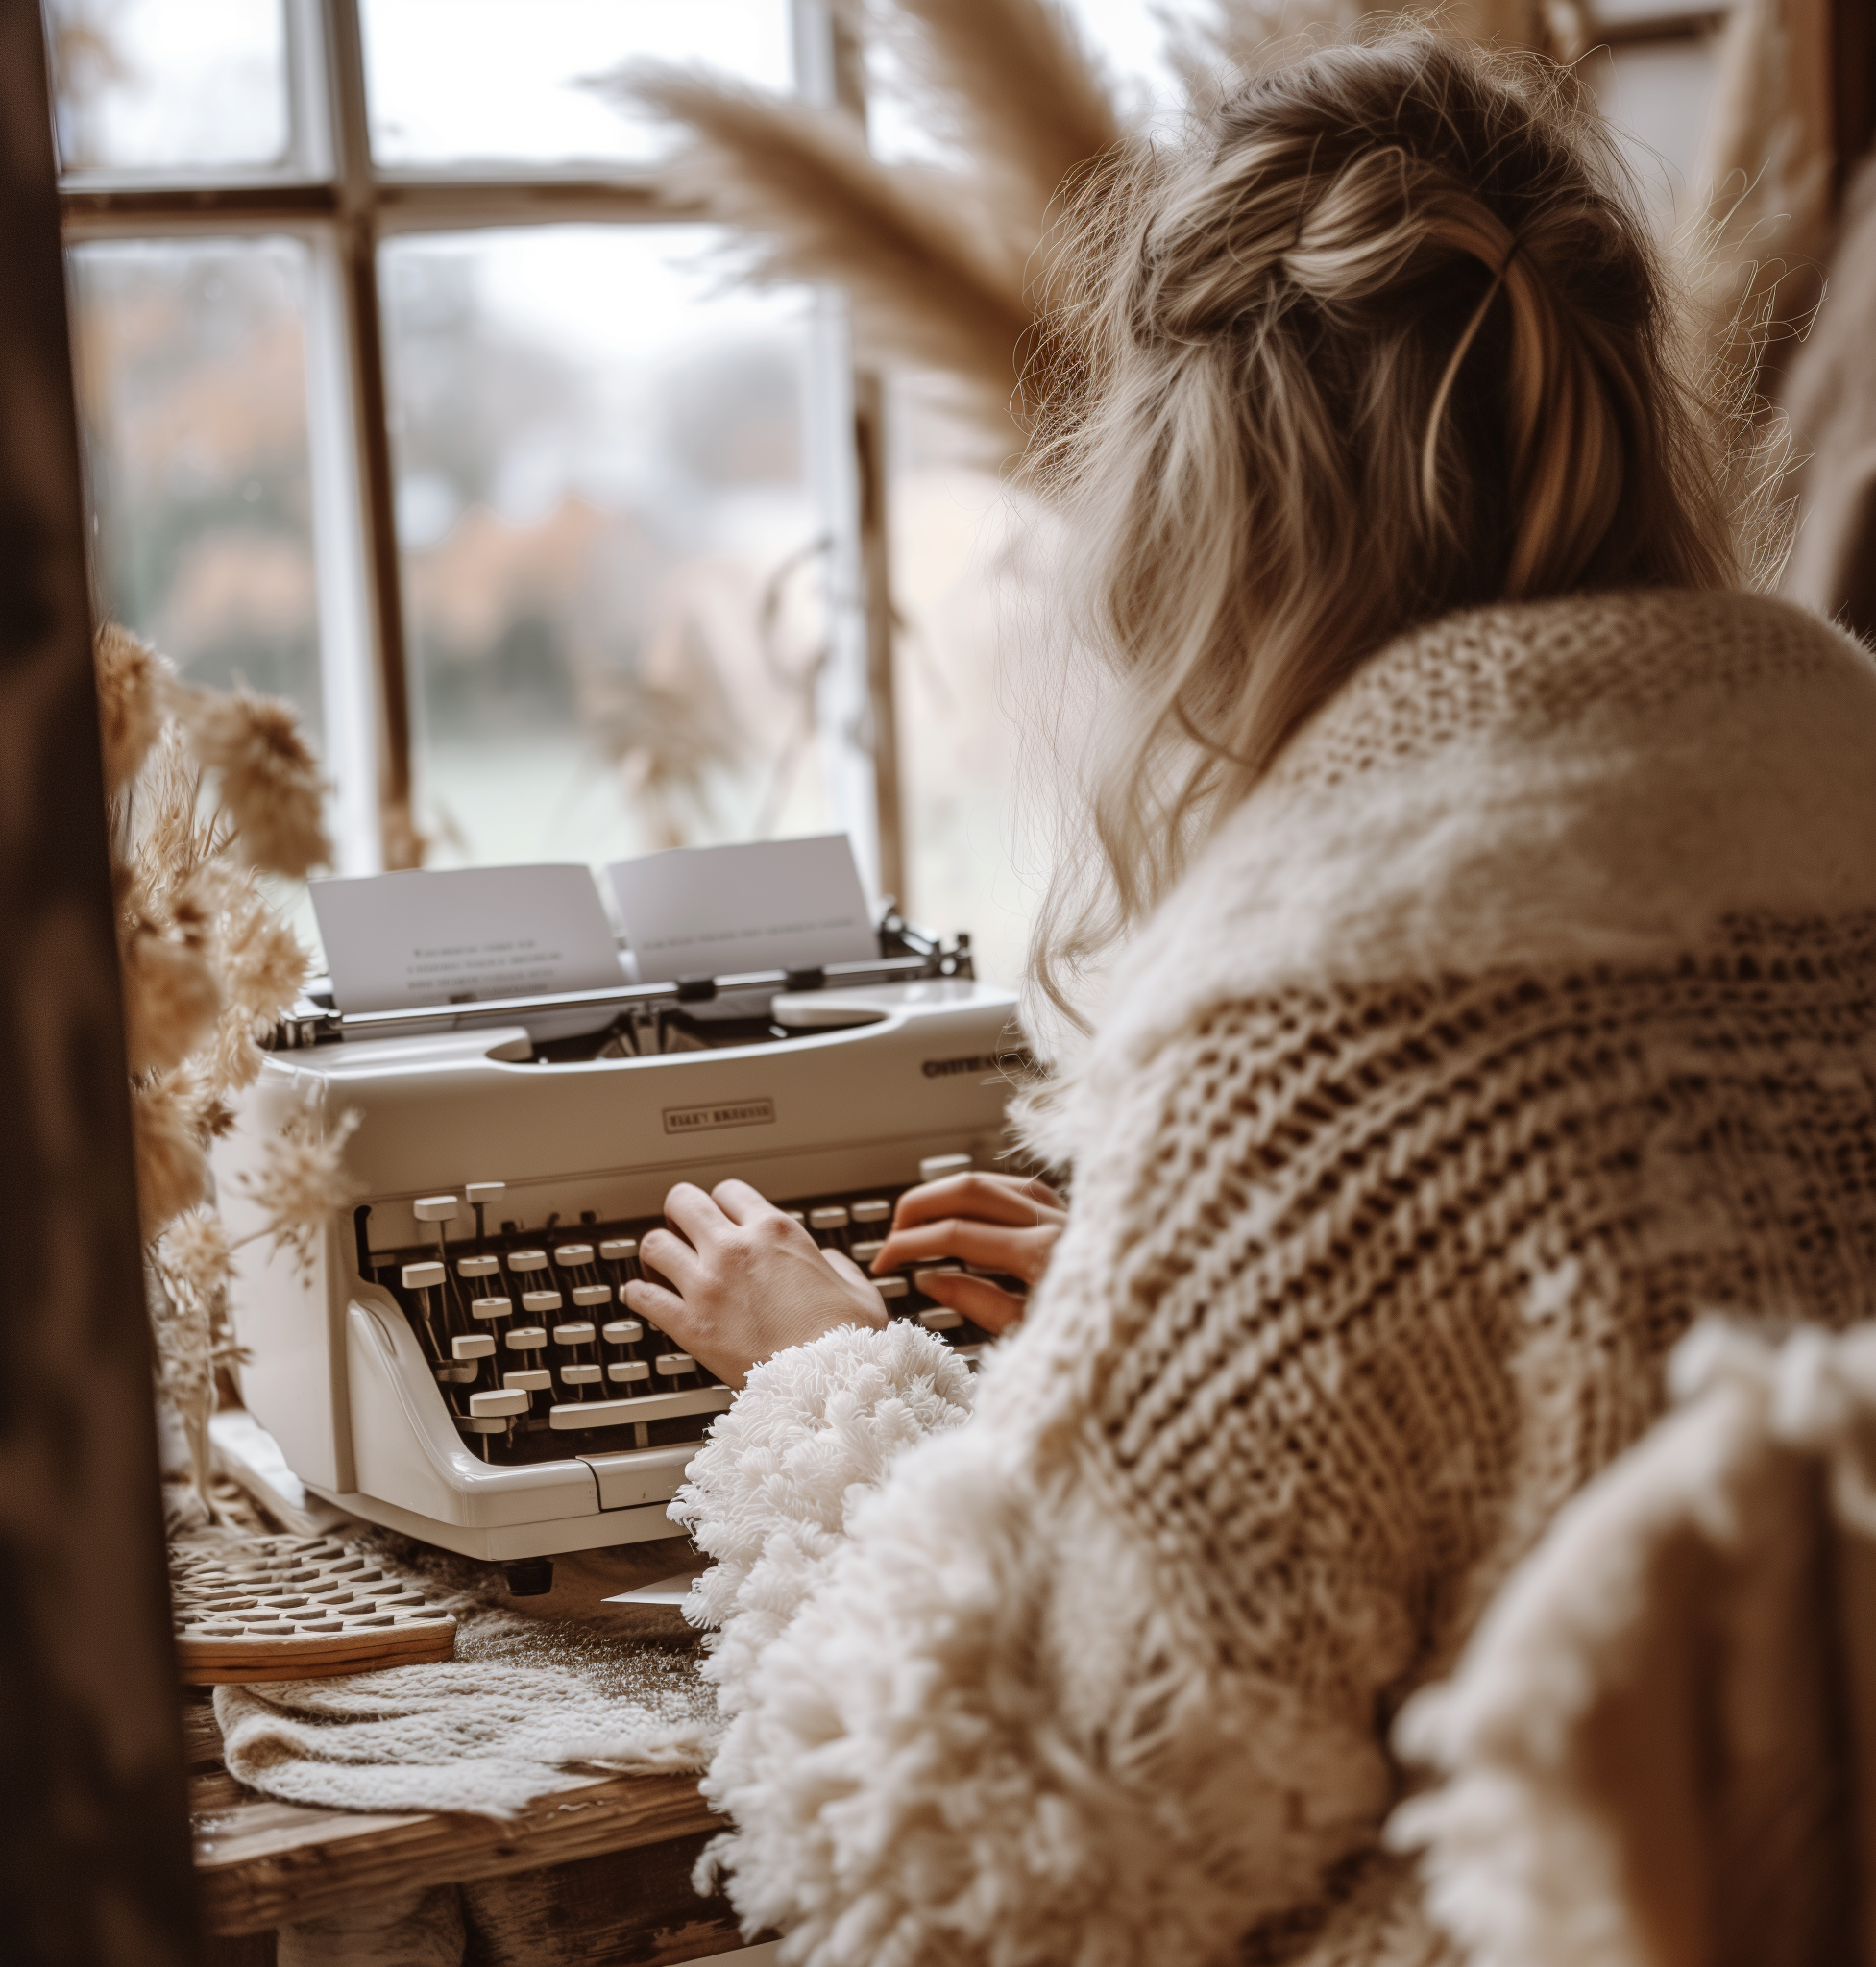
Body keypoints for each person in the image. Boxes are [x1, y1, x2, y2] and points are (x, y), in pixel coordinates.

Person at [618, 27, 1876, 1967]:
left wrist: (818, 1377)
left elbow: (975, 1855)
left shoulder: (1321, 1050)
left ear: (1196, 507)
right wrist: (1165, 1293)